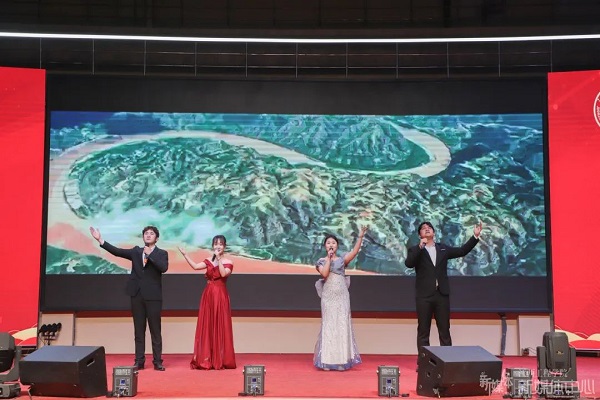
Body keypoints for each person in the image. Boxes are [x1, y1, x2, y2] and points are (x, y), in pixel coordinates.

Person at [89, 225, 169, 371]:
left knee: (155, 330)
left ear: (156, 238)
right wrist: (100, 240)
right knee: (139, 330)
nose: (148, 235)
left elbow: (163, 268)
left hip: (153, 297)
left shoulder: (162, 253)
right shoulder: (136, 251)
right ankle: (139, 361)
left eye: (151, 233)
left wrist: (150, 255)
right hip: (136, 295)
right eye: (146, 233)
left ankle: (157, 361)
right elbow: (117, 252)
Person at [405, 221, 483, 352]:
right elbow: (409, 263)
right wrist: (420, 247)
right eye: (423, 228)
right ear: (419, 235)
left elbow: (462, 251)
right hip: (424, 296)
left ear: (434, 233)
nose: (427, 229)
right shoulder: (415, 250)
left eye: (429, 227)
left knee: (444, 330)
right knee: (423, 330)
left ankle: (447, 360)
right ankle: (424, 361)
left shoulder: (443, 249)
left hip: (441, 295)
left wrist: (475, 236)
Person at [313, 226, 367, 371]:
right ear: (325, 246)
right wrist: (329, 259)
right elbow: (324, 274)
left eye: (333, 243)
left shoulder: (342, 260)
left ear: (337, 246)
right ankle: (327, 360)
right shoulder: (320, 261)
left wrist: (360, 236)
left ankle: (342, 360)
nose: (331, 245)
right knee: (329, 325)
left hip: (342, 295)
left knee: (342, 324)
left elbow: (354, 252)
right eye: (328, 243)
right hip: (328, 296)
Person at [178, 235, 236, 370]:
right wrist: (186, 255)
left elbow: (223, 274)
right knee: (208, 324)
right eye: (216, 244)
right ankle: (207, 358)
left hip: (220, 294)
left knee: (220, 324)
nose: (218, 246)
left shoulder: (229, 262)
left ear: (224, 246)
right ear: (212, 246)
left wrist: (219, 259)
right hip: (209, 294)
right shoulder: (208, 260)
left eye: (220, 244)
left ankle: (220, 359)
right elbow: (195, 266)